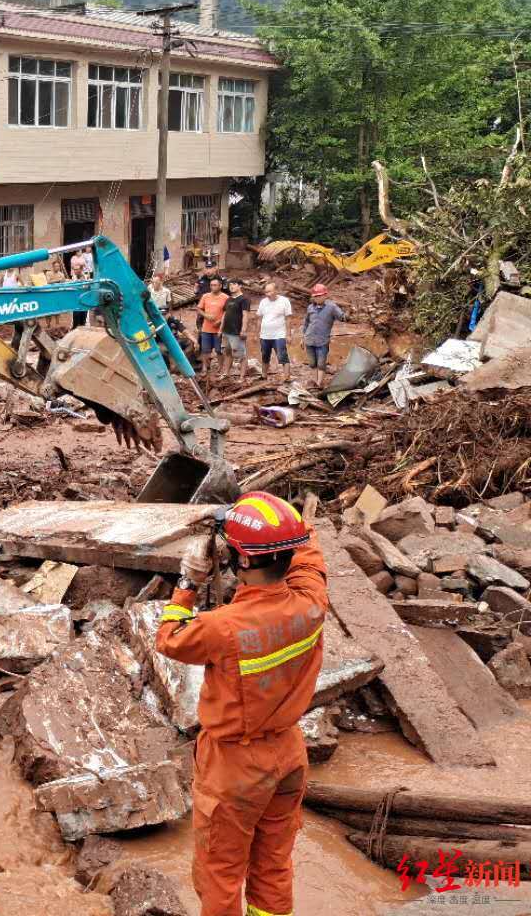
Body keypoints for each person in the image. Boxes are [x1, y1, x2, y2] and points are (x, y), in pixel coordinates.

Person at [156, 491, 326, 916]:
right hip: (288, 753)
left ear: (244, 561)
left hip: (235, 766)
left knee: (221, 873)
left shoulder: (221, 627)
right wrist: (273, 523)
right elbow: (308, 553)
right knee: (272, 864)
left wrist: (189, 582)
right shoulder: (311, 601)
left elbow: (169, 637)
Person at [302, 283, 345, 389]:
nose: (318, 298)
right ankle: (315, 382)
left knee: (321, 363)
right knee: (312, 363)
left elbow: (342, 317)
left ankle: (319, 383)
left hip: (322, 341)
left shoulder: (332, 307)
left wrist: (351, 315)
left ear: (325, 295)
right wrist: (302, 338)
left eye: (320, 295)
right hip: (309, 339)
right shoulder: (310, 308)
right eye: (316, 296)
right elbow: (306, 323)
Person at [255, 281, 294, 385]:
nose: (267, 294)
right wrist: (256, 334)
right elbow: (259, 319)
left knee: (282, 355)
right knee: (265, 355)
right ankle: (263, 375)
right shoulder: (263, 302)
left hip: (279, 334)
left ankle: (287, 377)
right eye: (266, 292)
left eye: (269, 291)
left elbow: (288, 319)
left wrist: (289, 334)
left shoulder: (284, 301)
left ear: (276, 290)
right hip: (265, 335)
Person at [196, 276, 228, 377]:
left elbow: (228, 312)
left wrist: (220, 321)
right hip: (206, 328)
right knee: (205, 350)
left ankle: (221, 368)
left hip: (219, 329)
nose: (212, 287)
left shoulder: (225, 298)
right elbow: (199, 309)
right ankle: (205, 368)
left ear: (220, 286)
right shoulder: (205, 296)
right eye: (211, 285)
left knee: (219, 350)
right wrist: (206, 315)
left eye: (215, 285)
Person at [219, 279, 250, 382]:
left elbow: (245, 315)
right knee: (227, 352)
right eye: (230, 285)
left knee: (240, 355)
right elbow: (224, 315)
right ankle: (226, 373)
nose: (231, 286)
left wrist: (244, 330)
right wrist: (220, 329)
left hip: (237, 331)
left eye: (234, 284)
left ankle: (242, 377)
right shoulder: (228, 299)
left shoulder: (244, 299)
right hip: (226, 331)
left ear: (240, 286)